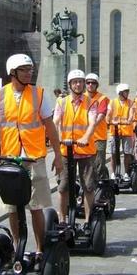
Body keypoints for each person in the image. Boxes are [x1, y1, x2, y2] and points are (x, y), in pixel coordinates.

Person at [0, 53, 62, 269]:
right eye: (24, 69)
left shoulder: (39, 94)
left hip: (33, 158)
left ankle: (39, 250)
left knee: (35, 207)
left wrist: (57, 156)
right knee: (12, 208)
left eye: (30, 69)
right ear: (13, 73)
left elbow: (50, 126)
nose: (30, 72)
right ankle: (18, 249)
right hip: (9, 159)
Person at [53, 69, 97, 234]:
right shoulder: (62, 103)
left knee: (88, 186)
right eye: (75, 82)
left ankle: (87, 220)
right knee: (64, 187)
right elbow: (56, 121)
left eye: (81, 81)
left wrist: (86, 137)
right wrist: (56, 137)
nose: (78, 84)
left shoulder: (90, 102)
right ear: (70, 85)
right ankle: (63, 219)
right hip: (66, 150)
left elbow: (92, 122)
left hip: (85, 150)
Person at [106, 83, 135, 180]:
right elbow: (108, 114)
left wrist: (129, 120)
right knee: (113, 153)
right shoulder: (112, 102)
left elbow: (131, 114)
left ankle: (126, 173)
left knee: (127, 153)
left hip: (126, 131)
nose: (127, 93)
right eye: (125, 92)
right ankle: (113, 173)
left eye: (128, 91)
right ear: (120, 93)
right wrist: (108, 120)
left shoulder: (130, 103)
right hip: (114, 131)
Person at [85, 73, 110, 179]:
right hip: (84, 136)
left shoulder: (102, 98)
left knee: (99, 163)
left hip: (98, 136)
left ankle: (99, 184)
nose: (90, 85)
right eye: (88, 82)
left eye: (93, 83)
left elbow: (101, 115)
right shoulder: (81, 97)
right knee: (86, 163)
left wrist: (92, 125)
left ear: (97, 85)